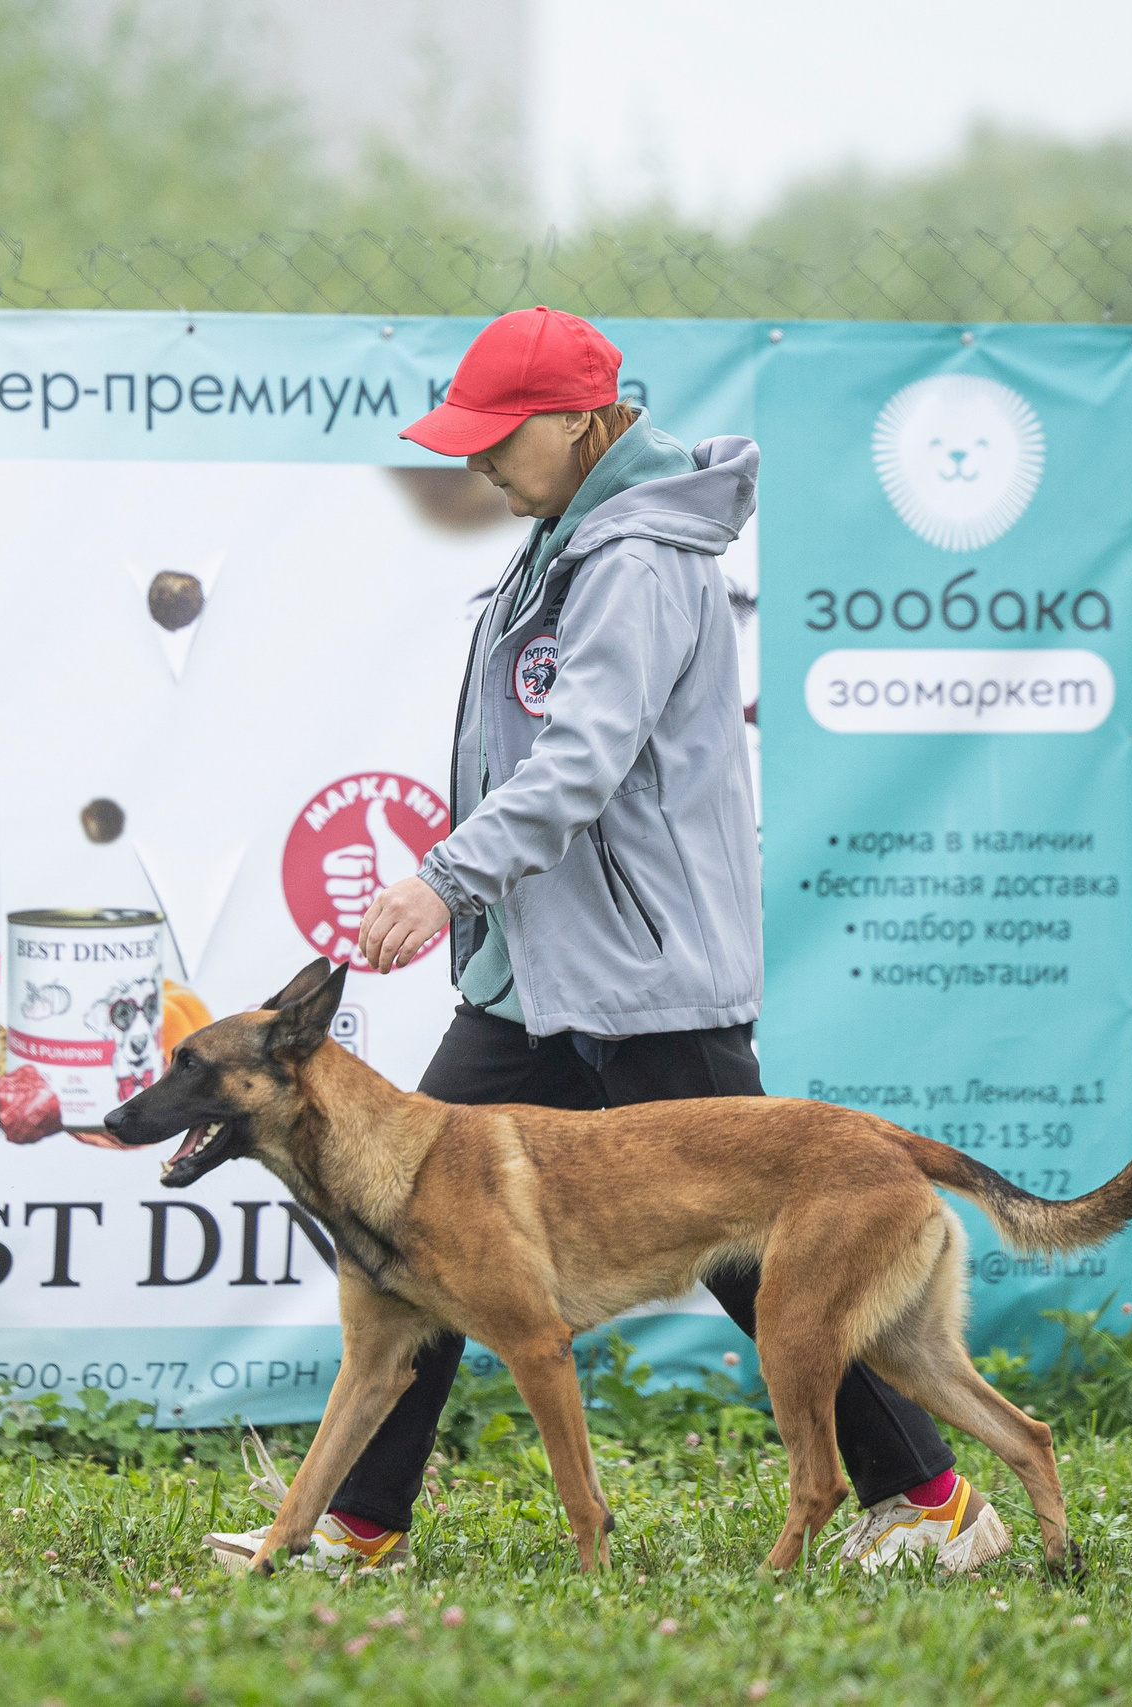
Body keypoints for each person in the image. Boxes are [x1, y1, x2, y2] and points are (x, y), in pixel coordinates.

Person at [206, 306, 1006, 1575]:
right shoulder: (564, 536)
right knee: (406, 1235)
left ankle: (931, 1505)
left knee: (768, 1265)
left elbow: (580, 760)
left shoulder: (635, 558)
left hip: (640, 983)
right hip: (528, 981)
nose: (475, 462)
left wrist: (443, 875)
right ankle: (359, 1527)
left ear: (580, 425)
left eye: (496, 438)